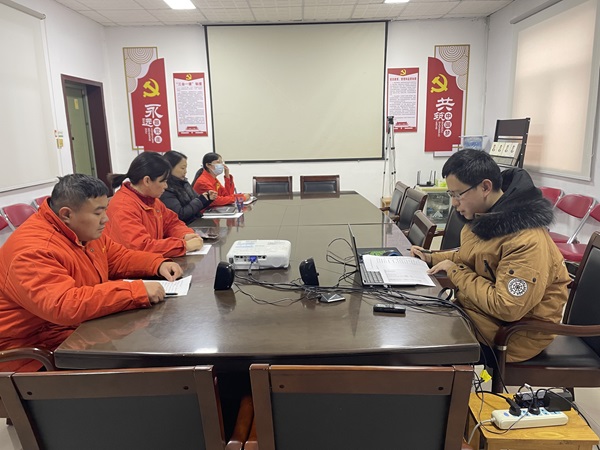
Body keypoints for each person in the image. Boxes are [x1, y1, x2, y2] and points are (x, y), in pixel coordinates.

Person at [0, 174, 183, 372]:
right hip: (33, 357)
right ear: (66, 214)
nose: (106, 219)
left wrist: (156, 264)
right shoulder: (33, 250)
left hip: (73, 334)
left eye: (105, 209)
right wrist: (135, 292)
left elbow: (117, 257)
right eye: (98, 213)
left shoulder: (82, 231)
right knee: (150, 368)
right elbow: (64, 305)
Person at [410, 149, 570, 364]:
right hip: (479, 315)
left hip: (513, 337)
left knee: (417, 349)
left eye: (458, 194)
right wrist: (430, 258)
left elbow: (507, 307)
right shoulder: (486, 219)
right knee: (413, 319)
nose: (454, 203)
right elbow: (470, 257)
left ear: (485, 187)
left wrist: (455, 272)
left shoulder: (526, 240)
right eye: (451, 194)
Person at [105, 152, 204, 257]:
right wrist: (183, 245)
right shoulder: (123, 207)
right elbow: (140, 247)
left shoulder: (152, 200)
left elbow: (171, 223)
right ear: (147, 181)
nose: (166, 186)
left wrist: (185, 234)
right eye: (163, 181)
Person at [161, 151, 217, 224]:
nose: (185, 171)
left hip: (196, 222)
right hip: (185, 226)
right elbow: (180, 214)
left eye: (185, 168)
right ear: (170, 168)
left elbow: (197, 204)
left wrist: (207, 198)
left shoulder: (184, 183)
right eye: (182, 168)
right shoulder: (166, 189)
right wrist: (200, 200)